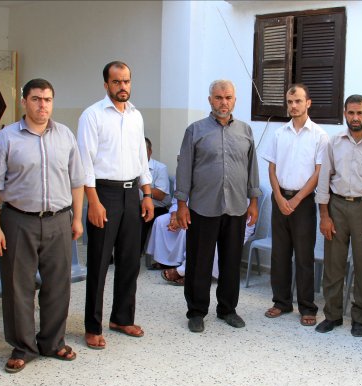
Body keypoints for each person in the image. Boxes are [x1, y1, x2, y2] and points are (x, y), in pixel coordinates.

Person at [0, 78, 85, 373]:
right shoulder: (6, 138)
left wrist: (77, 218)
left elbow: (77, 181)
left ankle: (53, 342)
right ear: (24, 101)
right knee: (18, 286)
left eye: (47, 99)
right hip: (18, 220)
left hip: (59, 220)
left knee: (58, 285)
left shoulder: (65, 135)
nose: (42, 105)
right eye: (36, 99)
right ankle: (23, 347)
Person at [77, 61, 154, 350]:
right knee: (99, 263)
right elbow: (85, 162)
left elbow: (141, 158)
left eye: (126, 81)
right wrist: (93, 201)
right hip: (104, 194)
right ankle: (92, 326)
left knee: (130, 261)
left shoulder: (136, 116)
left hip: (132, 194)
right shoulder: (92, 115)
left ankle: (122, 318)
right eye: (116, 81)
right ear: (106, 84)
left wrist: (147, 194)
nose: (123, 86)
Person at [175, 79, 261, 333]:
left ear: (234, 100)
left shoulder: (245, 131)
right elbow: (184, 168)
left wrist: (253, 201)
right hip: (203, 207)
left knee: (231, 262)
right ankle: (196, 311)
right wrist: (182, 204)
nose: (224, 102)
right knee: (199, 262)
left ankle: (227, 309)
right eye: (219, 97)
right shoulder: (195, 130)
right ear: (210, 100)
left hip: (236, 207)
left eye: (228, 97)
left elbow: (252, 168)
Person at [315, 94, 362, 337]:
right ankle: (332, 315)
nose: (355, 117)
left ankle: (360, 318)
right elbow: (324, 180)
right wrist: (324, 216)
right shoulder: (334, 142)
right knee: (333, 265)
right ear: (345, 113)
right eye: (351, 113)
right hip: (336, 207)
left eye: (360, 113)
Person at [259, 84, 328, 327]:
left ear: (308, 103)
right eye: (290, 102)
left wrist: (296, 200)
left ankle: (307, 307)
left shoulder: (320, 135)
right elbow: (272, 168)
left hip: (304, 202)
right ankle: (281, 302)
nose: (293, 106)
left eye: (298, 101)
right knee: (279, 254)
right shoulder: (279, 134)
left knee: (304, 257)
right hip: (280, 199)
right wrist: (279, 197)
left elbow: (319, 173)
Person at [140, 137, 171, 256]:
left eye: (143, 151)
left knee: (140, 220)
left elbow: (160, 195)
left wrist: (140, 184)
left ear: (150, 151)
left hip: (158, 207)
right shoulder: (131, 167)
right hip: (136, 205)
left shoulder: (160, 168)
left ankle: (135, 255)